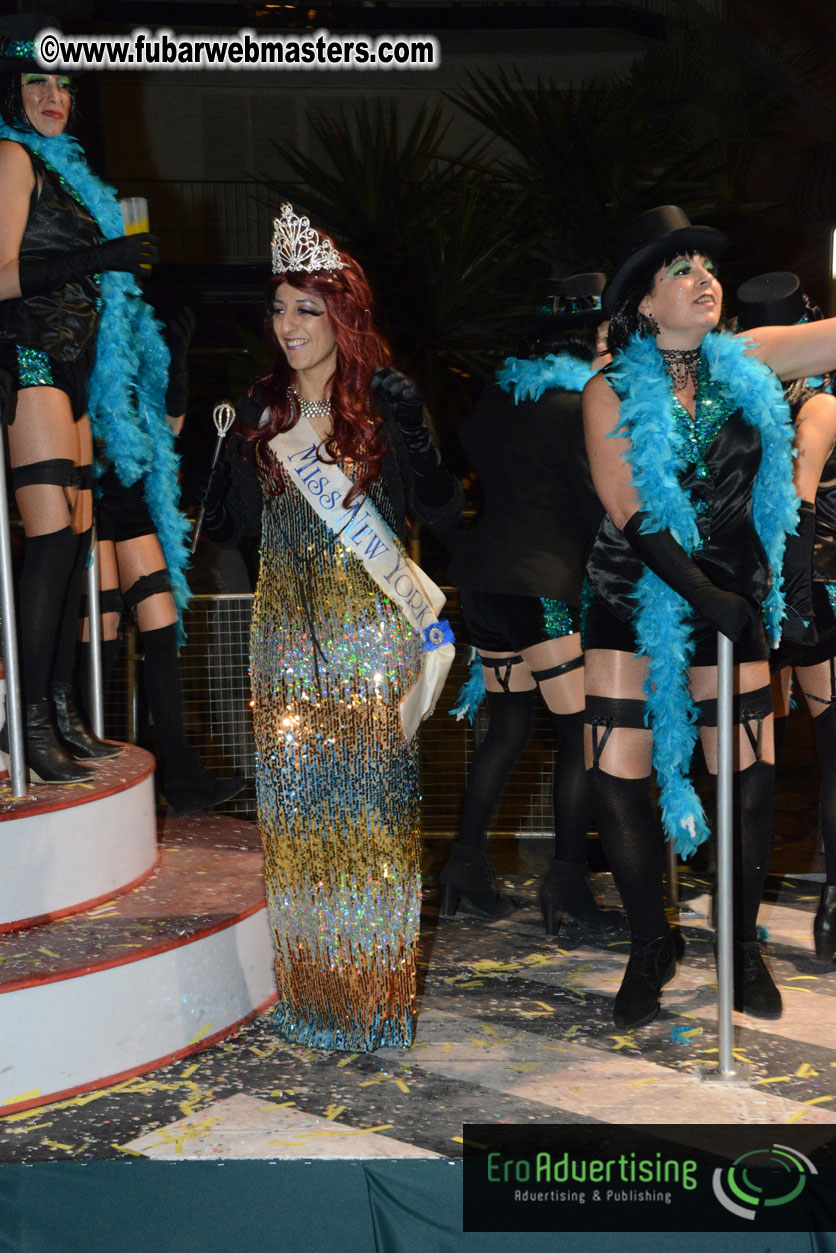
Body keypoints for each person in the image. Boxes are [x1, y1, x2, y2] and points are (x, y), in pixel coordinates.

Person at [199, 204, 461, 1051]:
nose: (288, 325)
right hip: (281, 643)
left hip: (368, 643)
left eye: (306, 309)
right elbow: (231, 529)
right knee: (297, 826)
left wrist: (415, 433)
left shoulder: (382, 404)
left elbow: (442, 513)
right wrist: (222, 463)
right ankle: (312, 999)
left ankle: (374, 1004)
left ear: (342, 316)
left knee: (372, 825)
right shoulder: (263, 410)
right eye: (279, 308)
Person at [583, 205, 836, 1031]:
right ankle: (649, 944)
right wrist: (706, 599)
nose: (705, 280)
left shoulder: (747, 359)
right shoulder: (609, 388)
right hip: (634, 590)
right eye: (681, 270)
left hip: (735, 588)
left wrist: (732, 598)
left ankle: (740, 944)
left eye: (708, 268)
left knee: (749, 774)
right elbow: (630, 509)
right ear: (645, 302)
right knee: (617, 771)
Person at [0, 17, 157, 783]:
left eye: (63, 82)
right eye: (37, 80)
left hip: (76, 367)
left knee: (78, 542)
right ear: (11, 90)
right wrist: (101, 255)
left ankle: (59, 709)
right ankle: (25, 719)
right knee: (54, 540)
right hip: (28, 355)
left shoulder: (65, 171)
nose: (53, 95)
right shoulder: (10, 158)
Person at [443, 272, 610, 930]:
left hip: (485, 587)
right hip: (545, 588)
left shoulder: (498, 397)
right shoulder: (580, 406)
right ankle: (566, 883)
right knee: (581, 735)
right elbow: (596, 508)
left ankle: (463, 867)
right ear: (584, 337)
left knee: (507, 729)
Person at [76, 304, 245, 817]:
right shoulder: (81, 346)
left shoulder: (138, 362)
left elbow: (166, 435)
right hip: (88, 502)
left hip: (132, 508)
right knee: (102, 631)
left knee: (162, 631)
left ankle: (185, 775)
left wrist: (177, 374)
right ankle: (83, 759)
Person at [737, 272, 836, 965]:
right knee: (827, 751)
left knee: (753, 761)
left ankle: (740, 917)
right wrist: (795, 606)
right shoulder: (821, 406)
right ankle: (832, 906)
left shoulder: (738, 409)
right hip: (811, 592)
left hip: (753, 592)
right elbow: (800, 506)